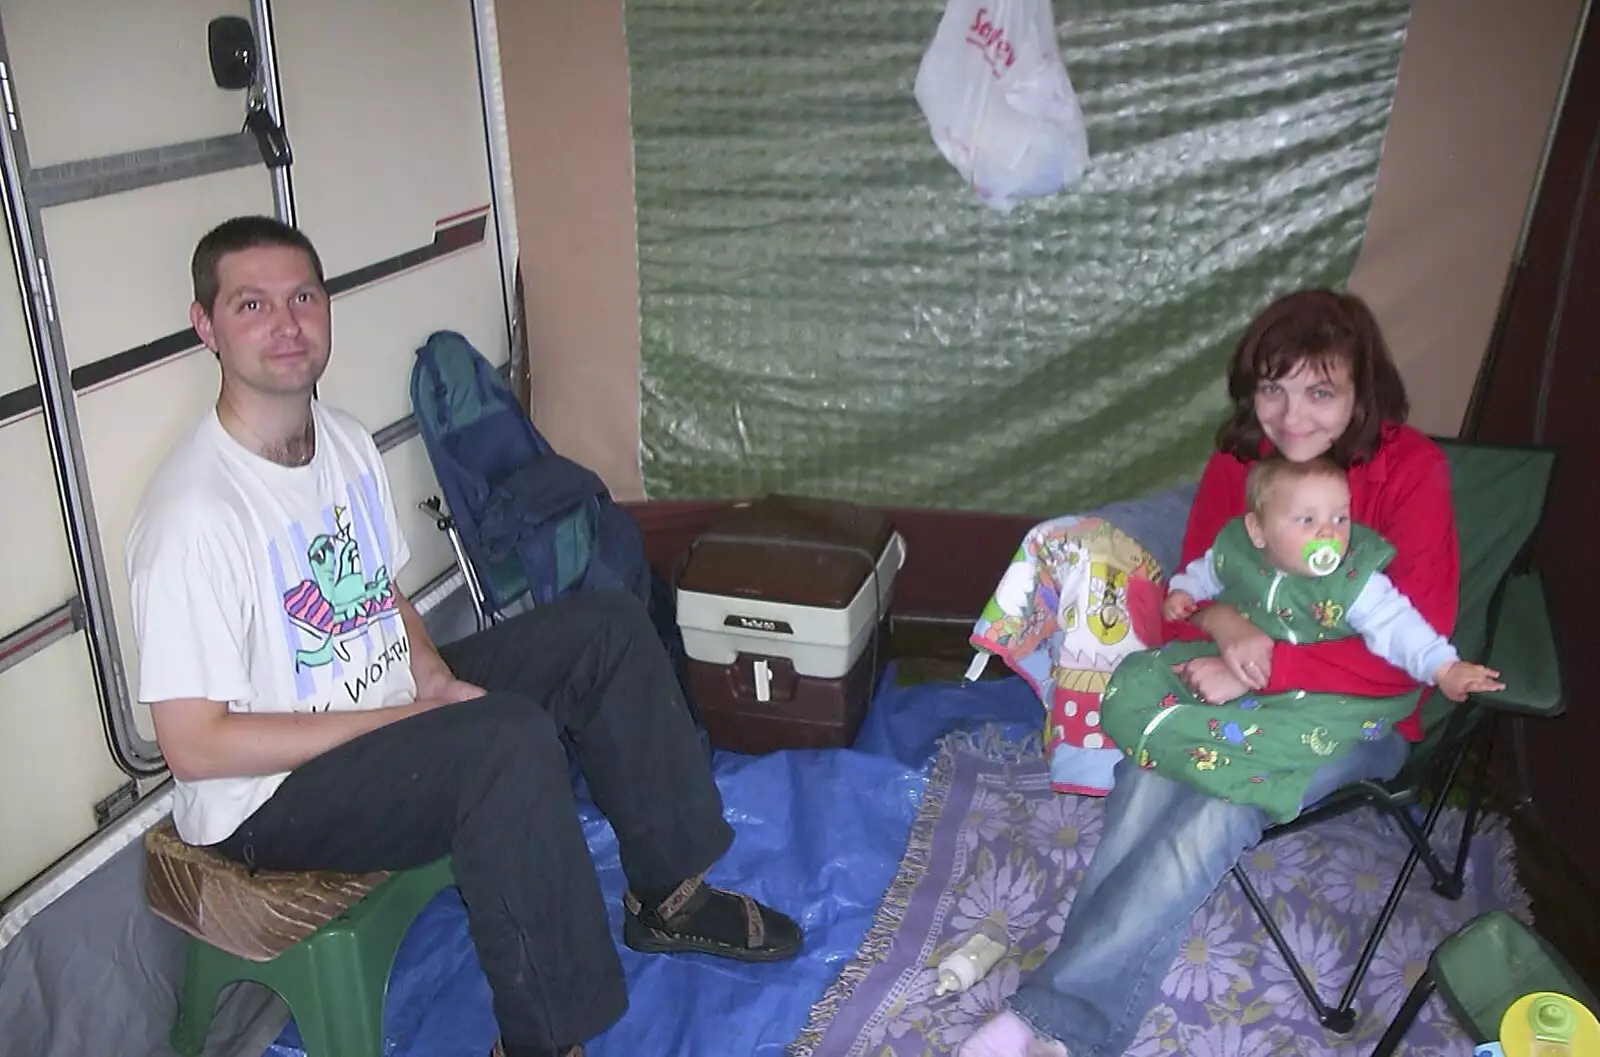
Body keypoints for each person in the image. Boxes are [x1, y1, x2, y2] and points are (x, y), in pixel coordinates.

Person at [125, 215, 801, 1057]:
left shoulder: (338, 438)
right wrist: (401, 722)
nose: (287, 323)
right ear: (207, 328)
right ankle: (542, 1041)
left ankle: (668, 895)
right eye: (251, 304)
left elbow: (378, 591)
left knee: (604, 628)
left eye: (302, 295)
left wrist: (434, 679)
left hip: (380, 710)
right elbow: (195, 747)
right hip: (266, 797)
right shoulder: (195, 514)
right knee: (503, 746)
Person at [959, 288, 1461, 1057]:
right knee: (1148, 771)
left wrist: (1265, 667)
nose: (1292, 416)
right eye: (1273, 387)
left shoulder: (1410, 471)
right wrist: (1224, 625)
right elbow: (1187, 595)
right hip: (1230, 676)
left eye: (1320, 391)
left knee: (1213, 811)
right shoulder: (1241, 461)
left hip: (1357, 708)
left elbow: (1413, 641)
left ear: (1363, 392)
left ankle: (1055, 1020)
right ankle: (1061, 1012)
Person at [1097, 454, 1501, 822]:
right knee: (1141, 676)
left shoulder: (1355, 583)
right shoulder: (1236, 548)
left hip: (1329, 699)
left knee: (1287, 738)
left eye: (1340, 519)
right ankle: (1178, 741)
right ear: (1258, 529)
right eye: (1307, 520)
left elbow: (1401, 629)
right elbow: (1207, 571)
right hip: (1245, 670)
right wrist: (1186, 592)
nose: (1329, 533)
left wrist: (1444, 667)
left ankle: (1261, 783)